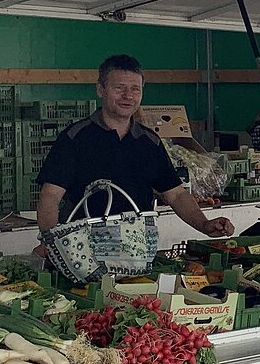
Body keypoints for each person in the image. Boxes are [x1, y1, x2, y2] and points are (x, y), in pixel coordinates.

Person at [36, 55, 234, 254]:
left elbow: (176, 194)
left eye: (135, 89)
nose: (128, 96)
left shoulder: (149, 142)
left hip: (136, 251)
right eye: (119, 87)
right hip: (83, 250)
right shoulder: (75, 138)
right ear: (100, 90)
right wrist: (50, 240)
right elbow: (50, 195)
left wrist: (204, 225)